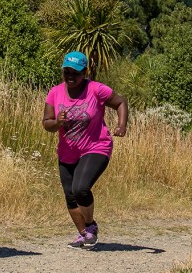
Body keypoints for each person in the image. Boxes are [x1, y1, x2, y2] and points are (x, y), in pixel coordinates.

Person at [42, 51, 129, 249]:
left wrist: (122, 125)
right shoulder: (55, 93)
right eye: (67, 72)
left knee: (80, 188)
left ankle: (90, 226)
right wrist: (57, 122)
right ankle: (84, 235)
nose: (71, 77)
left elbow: (121, 102)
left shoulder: (96, 89)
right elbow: (46, 124)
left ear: (84, 73)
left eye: (76, 73)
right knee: (70, 196)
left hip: (96, 146)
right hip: (67, 152)